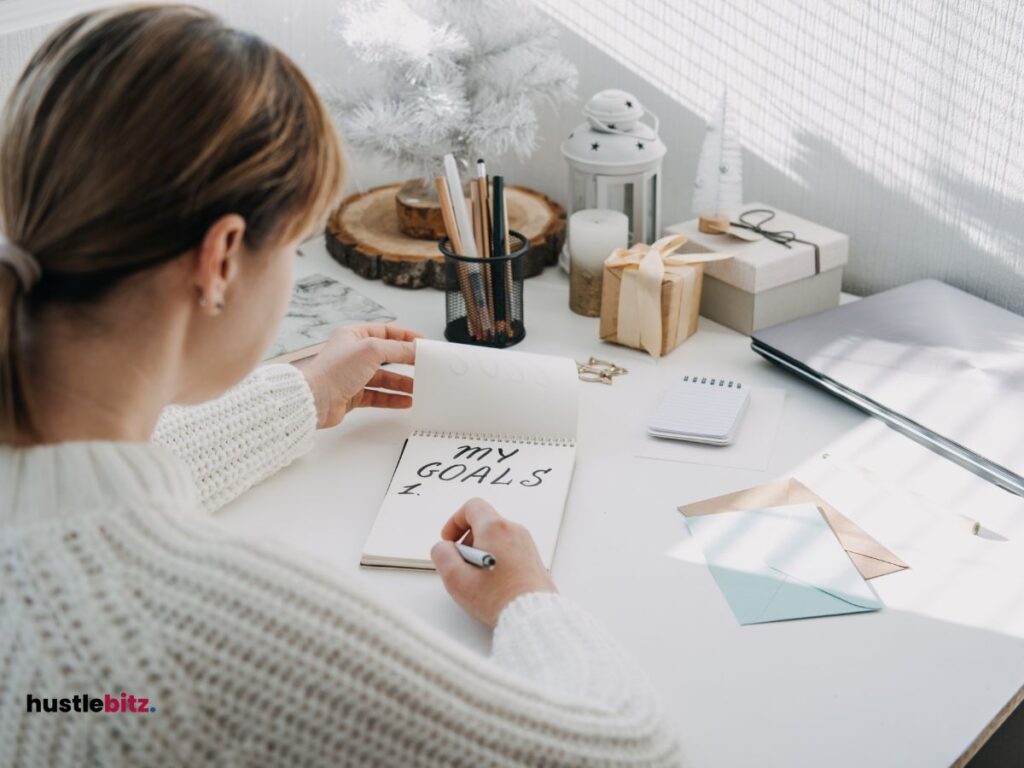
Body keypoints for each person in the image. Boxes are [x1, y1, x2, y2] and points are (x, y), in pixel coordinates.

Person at [0, 6, 680, 766]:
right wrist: (528, 599)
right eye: (295, 244)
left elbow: (79, 497)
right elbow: (628, 751)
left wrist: (299, 397)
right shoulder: (204, 634)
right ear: (222, 259)